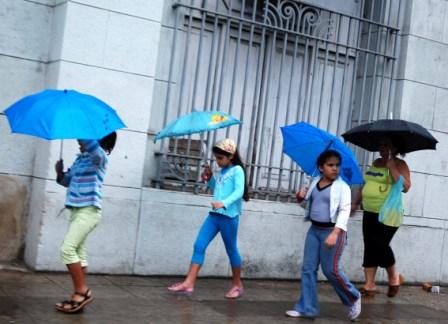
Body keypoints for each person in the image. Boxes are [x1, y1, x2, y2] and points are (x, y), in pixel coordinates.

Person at [168, 138, 249, 299]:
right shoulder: (222, 171)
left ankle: (237, 285)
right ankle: (189, 283)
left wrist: (224, 204)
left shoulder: (237, 170)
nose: (217, 161)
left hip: (229, 217)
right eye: (216, 158)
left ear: (231, 156)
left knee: (231, 250)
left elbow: (239, 192)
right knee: (199, 245)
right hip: (214, 216)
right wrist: (210, 179)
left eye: (220, 158)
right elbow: (217, 190)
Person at [285, 150, 361, 321]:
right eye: (330, 165)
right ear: (321, 167)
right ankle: (307, 308)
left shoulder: (343, 187)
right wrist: (300, 198)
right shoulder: (314, 182)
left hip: (333, 231)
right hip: (314, 231)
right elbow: (310, 207)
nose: (335, 168)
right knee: (308, 269)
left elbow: (344, 211)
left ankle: (353, 297)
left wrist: (335, 232)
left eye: (337, 165)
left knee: (331, 270)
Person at [54, 132, 117, 313]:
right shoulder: (80, 160)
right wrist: (59, 173)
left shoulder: (100, 158)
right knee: (79, 253)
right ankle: (78, 295)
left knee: (67, 250)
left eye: (83, 139)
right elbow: (68, 181)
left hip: (89, 211)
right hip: (75, 210)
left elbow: (92, 146)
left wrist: (80, 130)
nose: (78, 142)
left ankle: (83, 291)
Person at [352, 136, 411, 297]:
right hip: (370, 211)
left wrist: (392, 168)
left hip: (389, 213)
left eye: (386, 145)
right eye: (381, 144)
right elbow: (366, 184)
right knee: (369, 245)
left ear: (395, 148)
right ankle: (369, 284)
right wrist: (356, 202)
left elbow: (406, 187)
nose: (381, 148)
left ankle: (393, 277)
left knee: (380, 244)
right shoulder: (376, 162)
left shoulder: (400, 164)